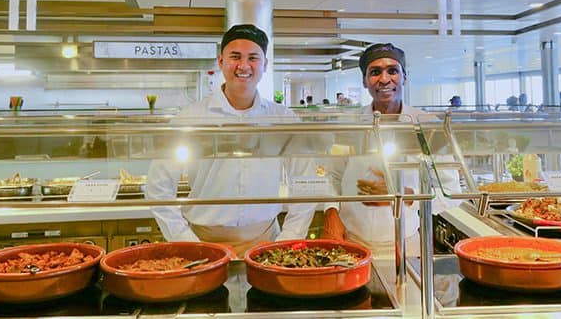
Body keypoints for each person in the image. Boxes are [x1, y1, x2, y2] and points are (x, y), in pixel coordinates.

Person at [146, 24, 315, 255]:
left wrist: (287, 241)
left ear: (265, 64)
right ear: (221, 61)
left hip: (268, 242)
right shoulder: (190, 117)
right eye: (235, 56)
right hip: (204, 242)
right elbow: (157, 188)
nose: (243, 66)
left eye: (253, 58)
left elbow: (307, 184)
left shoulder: (283, 119)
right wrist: (190, 243)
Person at [323, 43, 461, 256]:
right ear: (364, 81)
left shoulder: (427, 125)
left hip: (405, 245)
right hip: (349, 241)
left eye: (392, 71)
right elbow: (331, 175)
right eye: (375, 72)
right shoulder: (348, 124)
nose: (384, 79)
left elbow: (451, 191)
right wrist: (330, 211)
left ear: (404, 76)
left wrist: (407, 196)